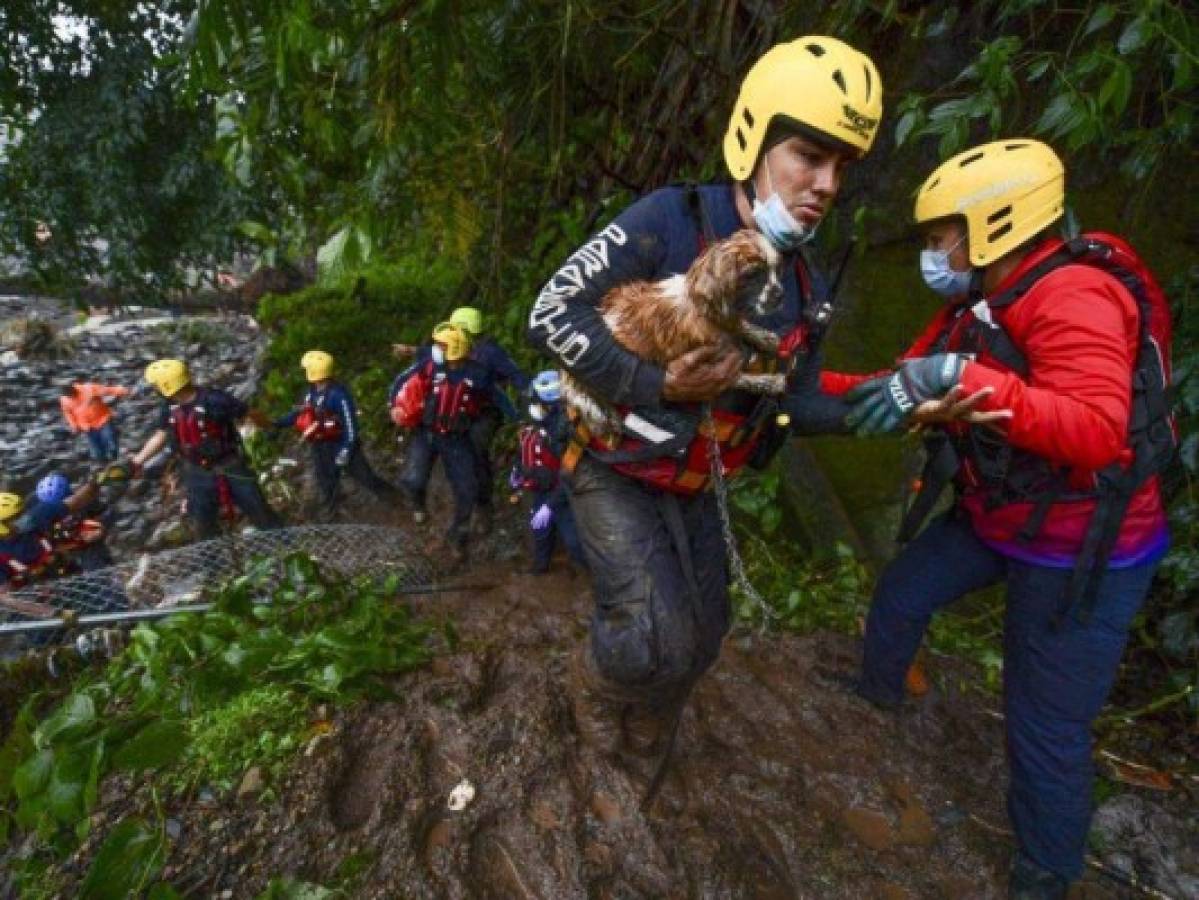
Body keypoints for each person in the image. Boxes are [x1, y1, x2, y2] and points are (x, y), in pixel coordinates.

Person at [527, 37, 883, 776]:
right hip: (614, 463)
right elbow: (552, 311)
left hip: (699, 478)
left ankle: (654, 711)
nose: (824, 184)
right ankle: (596, 684)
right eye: (807, 156)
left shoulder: (805, 284)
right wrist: (655, 384)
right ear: (752, 138)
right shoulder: (669, 218)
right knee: (654, 633)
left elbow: (799, 403)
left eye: (840, 166)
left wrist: (902, 402)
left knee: (708, 632)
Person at [838, 139, 1172, 898]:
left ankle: (1044, 873)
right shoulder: (979, 303)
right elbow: (889, 382)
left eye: (937, 236)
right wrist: (788, 390)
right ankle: (875, 697)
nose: (931, 253)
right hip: (1004, 516)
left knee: (1044, 723)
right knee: (901, 592)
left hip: (1086, 546)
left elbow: (1094, 429)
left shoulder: (1073, 295)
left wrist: (959, 375)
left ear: (993, 222)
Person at [126, 359, 281, 541]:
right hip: (195, 470)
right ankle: (212, 562)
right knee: (202, 521)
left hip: (230, 465)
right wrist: (138, 460)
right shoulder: (170, 406)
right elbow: (160, 435)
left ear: (166, 385)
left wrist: (270, 426)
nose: (155, 389)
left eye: (156, 385)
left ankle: (281, 543)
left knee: (258, 508)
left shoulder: (216, 400)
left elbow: (248, 413)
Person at [391, 323, 494, 562]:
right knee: (412, 480)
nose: (435, 348)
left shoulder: (478, 375)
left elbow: (497, 400)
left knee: (467, 490)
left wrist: (521, 421)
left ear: (455, 349)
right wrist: (396, 405)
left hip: (456, 439)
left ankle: (458, 537)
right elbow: (402, 381)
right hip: (426, 434)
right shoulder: (429, 366)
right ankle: (419, 506)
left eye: (441, 345)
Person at [275, 350, 399, 521]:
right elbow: (300, 414)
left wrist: (346, 450)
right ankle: (330, 516)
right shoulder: (311, 392)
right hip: (320, 445)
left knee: (366, 477)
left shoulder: (338, 395)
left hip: (340, 444)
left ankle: (396, 500)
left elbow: (350, 425)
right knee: (326, 481)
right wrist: (278, 423)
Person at [447, 307, 529, 527]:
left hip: (485, 412)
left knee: (476, 453)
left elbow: (517, 377)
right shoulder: (454, 347)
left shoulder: (491, 353)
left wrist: (526, 411)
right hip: (458, 411)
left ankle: (484, 506)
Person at [510, 370, 586, 576]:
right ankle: (539, 569)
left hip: (561, 493)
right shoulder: (534, 424)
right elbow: (523, 450)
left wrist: (550, 505)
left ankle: (590, 577)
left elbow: (570, 473)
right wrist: (517, 471)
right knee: (540, 533)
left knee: (574, 542)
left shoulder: (563, 432)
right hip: (538, 489)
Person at [60, 381, 129, 461]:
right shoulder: (64, 400)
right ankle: (105, 464)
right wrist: (73, 426)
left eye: (70, 393)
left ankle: (115, 458)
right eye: (67, 395)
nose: (70, 396)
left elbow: (107, 390)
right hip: (88, 427)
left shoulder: (89, 388)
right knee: (97, 452)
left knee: (110, 441)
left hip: (103, 420)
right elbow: (68, 413)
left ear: (73, 388)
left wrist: (122, 391)